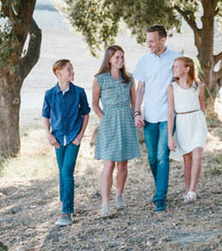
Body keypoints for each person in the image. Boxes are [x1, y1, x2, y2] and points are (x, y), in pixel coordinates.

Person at [133, 24, 181, 212]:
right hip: (150, 116)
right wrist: (137, 112)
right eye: (147, 41)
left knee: (162, 156)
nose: (149, 44)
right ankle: (160, 187)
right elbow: (140, 89)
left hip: (168, 116)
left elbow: (182, 83)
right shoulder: (144, 61)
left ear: (163, 40)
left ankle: (160, 197)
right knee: (152, 158)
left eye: (152, 41)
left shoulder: (175, 58)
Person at [92, 45, 140, 218]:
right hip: (109, 120)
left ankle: (119, 195)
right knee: (108, 163)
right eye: (117, 57)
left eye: (122, 57)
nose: (120, 60)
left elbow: (135, 102)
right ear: (109, 59)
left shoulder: (129, 79)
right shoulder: (100, 79)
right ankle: (105, 203)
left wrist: (136, 115)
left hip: (126, 119)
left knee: (123, 163)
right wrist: (103, 118)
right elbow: (95, 103)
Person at [42, 59, 90, 226]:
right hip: (57, 139)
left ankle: (66, 212)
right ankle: (65, 202)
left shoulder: (79, 92)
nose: (72, 72)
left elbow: (86, 114)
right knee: (62, 171)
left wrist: (80, 136)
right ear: (59, 73)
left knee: (67, 171)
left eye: (72, 68)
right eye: (69, 69)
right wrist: (48, 135)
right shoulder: (49, 94)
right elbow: (45, 116)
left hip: (73, 138)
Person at [167, 57, 207, 203]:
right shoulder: (172, 88)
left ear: (186, 69)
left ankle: (192, 190)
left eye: (177, 66)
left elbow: (201, 106)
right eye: (173, 66)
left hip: (197, 121)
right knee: (187, 160)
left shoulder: (198, 86)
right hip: (182, 122)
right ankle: (187, 189)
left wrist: (203, 124)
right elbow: (170, 113)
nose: (174, 69)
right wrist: (170, 136)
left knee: (197, 155)